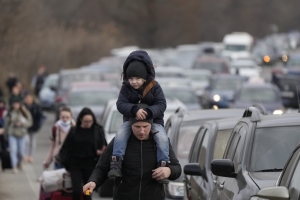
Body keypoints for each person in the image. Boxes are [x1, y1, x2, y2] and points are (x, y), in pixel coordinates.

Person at [83, 104, 181, 200]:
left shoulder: (161, 143)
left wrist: (169, 171)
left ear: (151, 125)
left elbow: (177, 168)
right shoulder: (119, 142)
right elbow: (102, 167)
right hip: (124, 196)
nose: (142, 131)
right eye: (137, 127)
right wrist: (93, 181)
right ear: (130, 125)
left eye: (145, 126)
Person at [108, 50, 169, 183]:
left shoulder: (154, 87)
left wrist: (149, 112)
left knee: (162, 138)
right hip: (130, 121)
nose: (134, 82)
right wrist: (134, 110)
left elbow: (162, 104)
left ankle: (163, 165)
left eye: (137, 79)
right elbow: (120, 104)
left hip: (155, 121)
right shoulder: (125, 88)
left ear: (144, 78)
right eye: (131, 79)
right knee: (120, 135)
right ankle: (116, 163)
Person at [59, 107, 107, 200]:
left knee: (87, 191)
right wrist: (66, 166)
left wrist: (101, 151)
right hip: (75, 164)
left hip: (90, 164)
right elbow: (66, 148)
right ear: (81, 119)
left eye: (90, 121)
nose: (88, 123)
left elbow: (104, 145)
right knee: (76, 190)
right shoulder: (74, 130)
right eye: (86, 121)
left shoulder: (97, 130)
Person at [4, 96, 32, 174]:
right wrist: (6, 134)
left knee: (21, 151)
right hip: (12, 133)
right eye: (14, 104)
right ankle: (14, 166)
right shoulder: (9, 113)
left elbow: (30, 122)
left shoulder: (24, 112)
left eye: (17, 104)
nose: (16, 105)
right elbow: (6, 124)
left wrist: (22, 124)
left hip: (22, 134)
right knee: (13, 150)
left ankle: (20, 162)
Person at [23, 93, 45, 163]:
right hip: (25, 127)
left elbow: (41, 117)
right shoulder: (23, 107)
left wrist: (37, 126)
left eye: (30, 98)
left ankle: (31, 156)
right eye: (27, 99)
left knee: (32, 142)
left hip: (34, 127)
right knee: (26, 142)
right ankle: (25, 155)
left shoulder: (36, 107)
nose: (28, 100)